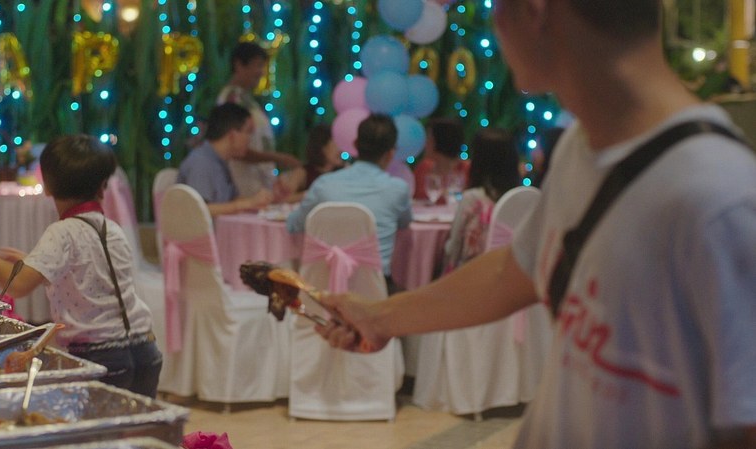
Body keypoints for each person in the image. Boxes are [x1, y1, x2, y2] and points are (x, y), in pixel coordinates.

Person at [314, 1, 756, 448]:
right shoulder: (582, 147)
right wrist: (378, 317)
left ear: (536, 11)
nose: (496, 24)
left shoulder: (720, 199)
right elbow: (512, 273)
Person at [0, 135, 163, 398]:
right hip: (145, 351)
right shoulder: (112, 229)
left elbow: (18, 286)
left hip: (102, 357)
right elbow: (89, 276)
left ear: (46, 186)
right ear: (103, 187)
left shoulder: (62, 232)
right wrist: (33, 262)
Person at [286, 114, 412, 292]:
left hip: (321, 287)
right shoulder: (398, 189)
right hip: (375, 290)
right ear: (391, 153)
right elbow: (405, 223)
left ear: (355, 144)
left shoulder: (324, 185)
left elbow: (294, 225)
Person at [217, 41, 300, 197]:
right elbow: (235, 148)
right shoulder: (231, 99)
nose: (261, 73)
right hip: (242, 183)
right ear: (239, 65)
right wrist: (278, 158)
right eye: (258, 66)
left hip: (258, 182)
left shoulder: (246, 99)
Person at [442, 128, 520, 273]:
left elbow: (453, 248)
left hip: (472, 276)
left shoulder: (473, 199)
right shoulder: (521, 198)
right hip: (510, 273)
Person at [177, 102, 273, 216]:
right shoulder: (201, 162)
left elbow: (232, 200)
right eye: (248, 132)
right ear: (232, 135)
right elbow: (199, 209)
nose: (250, 139)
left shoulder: (220, 161)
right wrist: (246, 204)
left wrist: (258, 201)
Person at [275, 124, 345, 203]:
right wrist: (311, 194)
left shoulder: (344, 171)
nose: (341, 149)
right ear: (322, 147)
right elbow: (284, 199)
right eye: (337, 144)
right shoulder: (303, 172)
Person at [413, 117, 469, 204]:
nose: (424, 143)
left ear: (440, 141)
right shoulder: (423, 168)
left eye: (429, 139)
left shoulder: (467, 170)